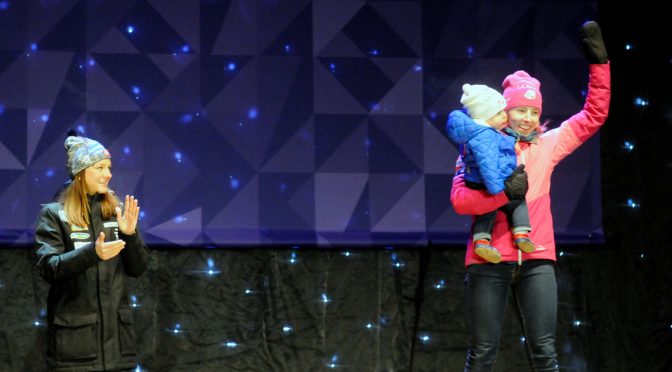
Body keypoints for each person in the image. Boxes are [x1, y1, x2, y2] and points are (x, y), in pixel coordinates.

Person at [450, 21, 610, 371]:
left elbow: (594, 115)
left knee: (545, 354)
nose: (527, 117)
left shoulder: (547, 145)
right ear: (504, 110)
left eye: (534, 111)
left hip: (537, 260)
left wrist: (600, 65)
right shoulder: (477, 145)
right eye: (520, 110)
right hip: (488, 261)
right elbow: (461, 201)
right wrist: (501, 195)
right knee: (482, 355)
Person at [34, 134, 150, 371]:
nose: (108, 174)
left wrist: (130, 234)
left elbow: (138, 268)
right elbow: (49, 267)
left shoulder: (115, 211)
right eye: (99, 167)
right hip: (75, 351)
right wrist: (92, 253)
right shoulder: (54, 214)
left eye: (109, 167)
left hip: (118, 349)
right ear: (80, 172)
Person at [446, 83, 536, 264]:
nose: (505, 115)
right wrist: (500, 190)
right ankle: (520, 234)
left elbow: (499, 144)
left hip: (484, 181)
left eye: (534, 112)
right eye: (500, 113)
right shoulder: (483, 136)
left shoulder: (485, 133)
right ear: (486, 116)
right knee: (511, 202)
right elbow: (488, 163)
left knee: (489, 210)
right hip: (488, 183)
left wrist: (512, 139)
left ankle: (482, 240)